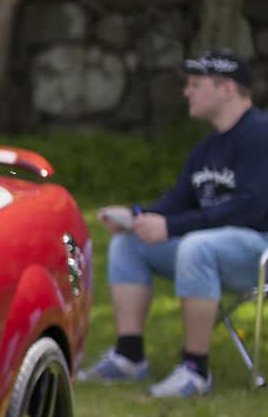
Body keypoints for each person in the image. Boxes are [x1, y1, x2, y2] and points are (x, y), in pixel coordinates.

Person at [79, 48, 268, 397]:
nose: (187, 92)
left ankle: (195, 371)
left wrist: (175, 227)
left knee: (196, 246)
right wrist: (136, 217)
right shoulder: (207, 148)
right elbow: (178, 201)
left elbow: (252, 208)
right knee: (129, 244)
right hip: (210, 248)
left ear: (227, 89)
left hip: (258, 249)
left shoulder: (261, 135)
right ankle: (129, 357)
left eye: (196, 84)